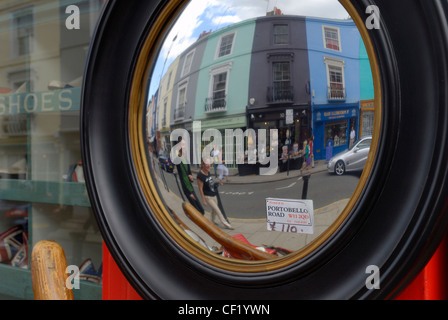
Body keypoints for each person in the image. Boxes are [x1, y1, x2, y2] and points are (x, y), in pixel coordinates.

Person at [197, 157, 233, 230]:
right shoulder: (200, 175)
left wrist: (215, 184)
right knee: (218, 210)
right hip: (208, 197)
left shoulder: (208, 172)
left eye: (209, 164)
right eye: (207, 163)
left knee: (214, 210)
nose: (209, 165)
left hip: (213, 194)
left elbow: (210, 182)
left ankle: (212, 220)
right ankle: (226, 224)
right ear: (203, 164)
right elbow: (200, 188)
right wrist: (203, 200)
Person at [176, 139, 204, 215]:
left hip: (190, 186)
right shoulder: (178, 159)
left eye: (185, 144)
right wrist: (188, 193)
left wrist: (190, 175)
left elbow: (188, 171)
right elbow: (181, 177)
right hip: (186, 188)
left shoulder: (185, 157)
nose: (185, 146)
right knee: (198, 210)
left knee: (201, 210)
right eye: (183, 144)